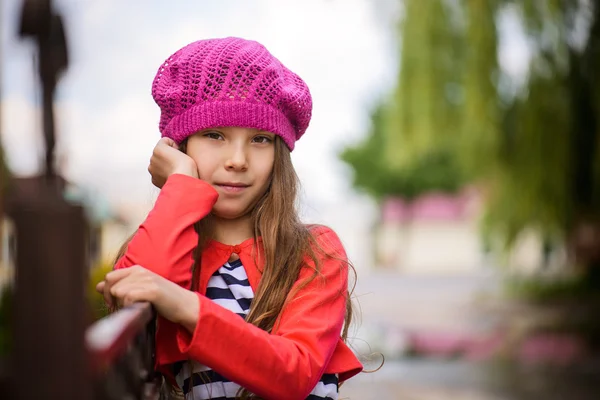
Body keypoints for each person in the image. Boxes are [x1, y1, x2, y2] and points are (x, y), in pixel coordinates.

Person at [96, 37, 362, 400]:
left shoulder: (314, 251)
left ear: (279, 153)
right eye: (214, 135)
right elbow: (137, 291)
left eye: (260, 140)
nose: (238, 159)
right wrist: (181, 184)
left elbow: (294, 372)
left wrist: (183, 304)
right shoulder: (167, 242)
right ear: (180, 145)